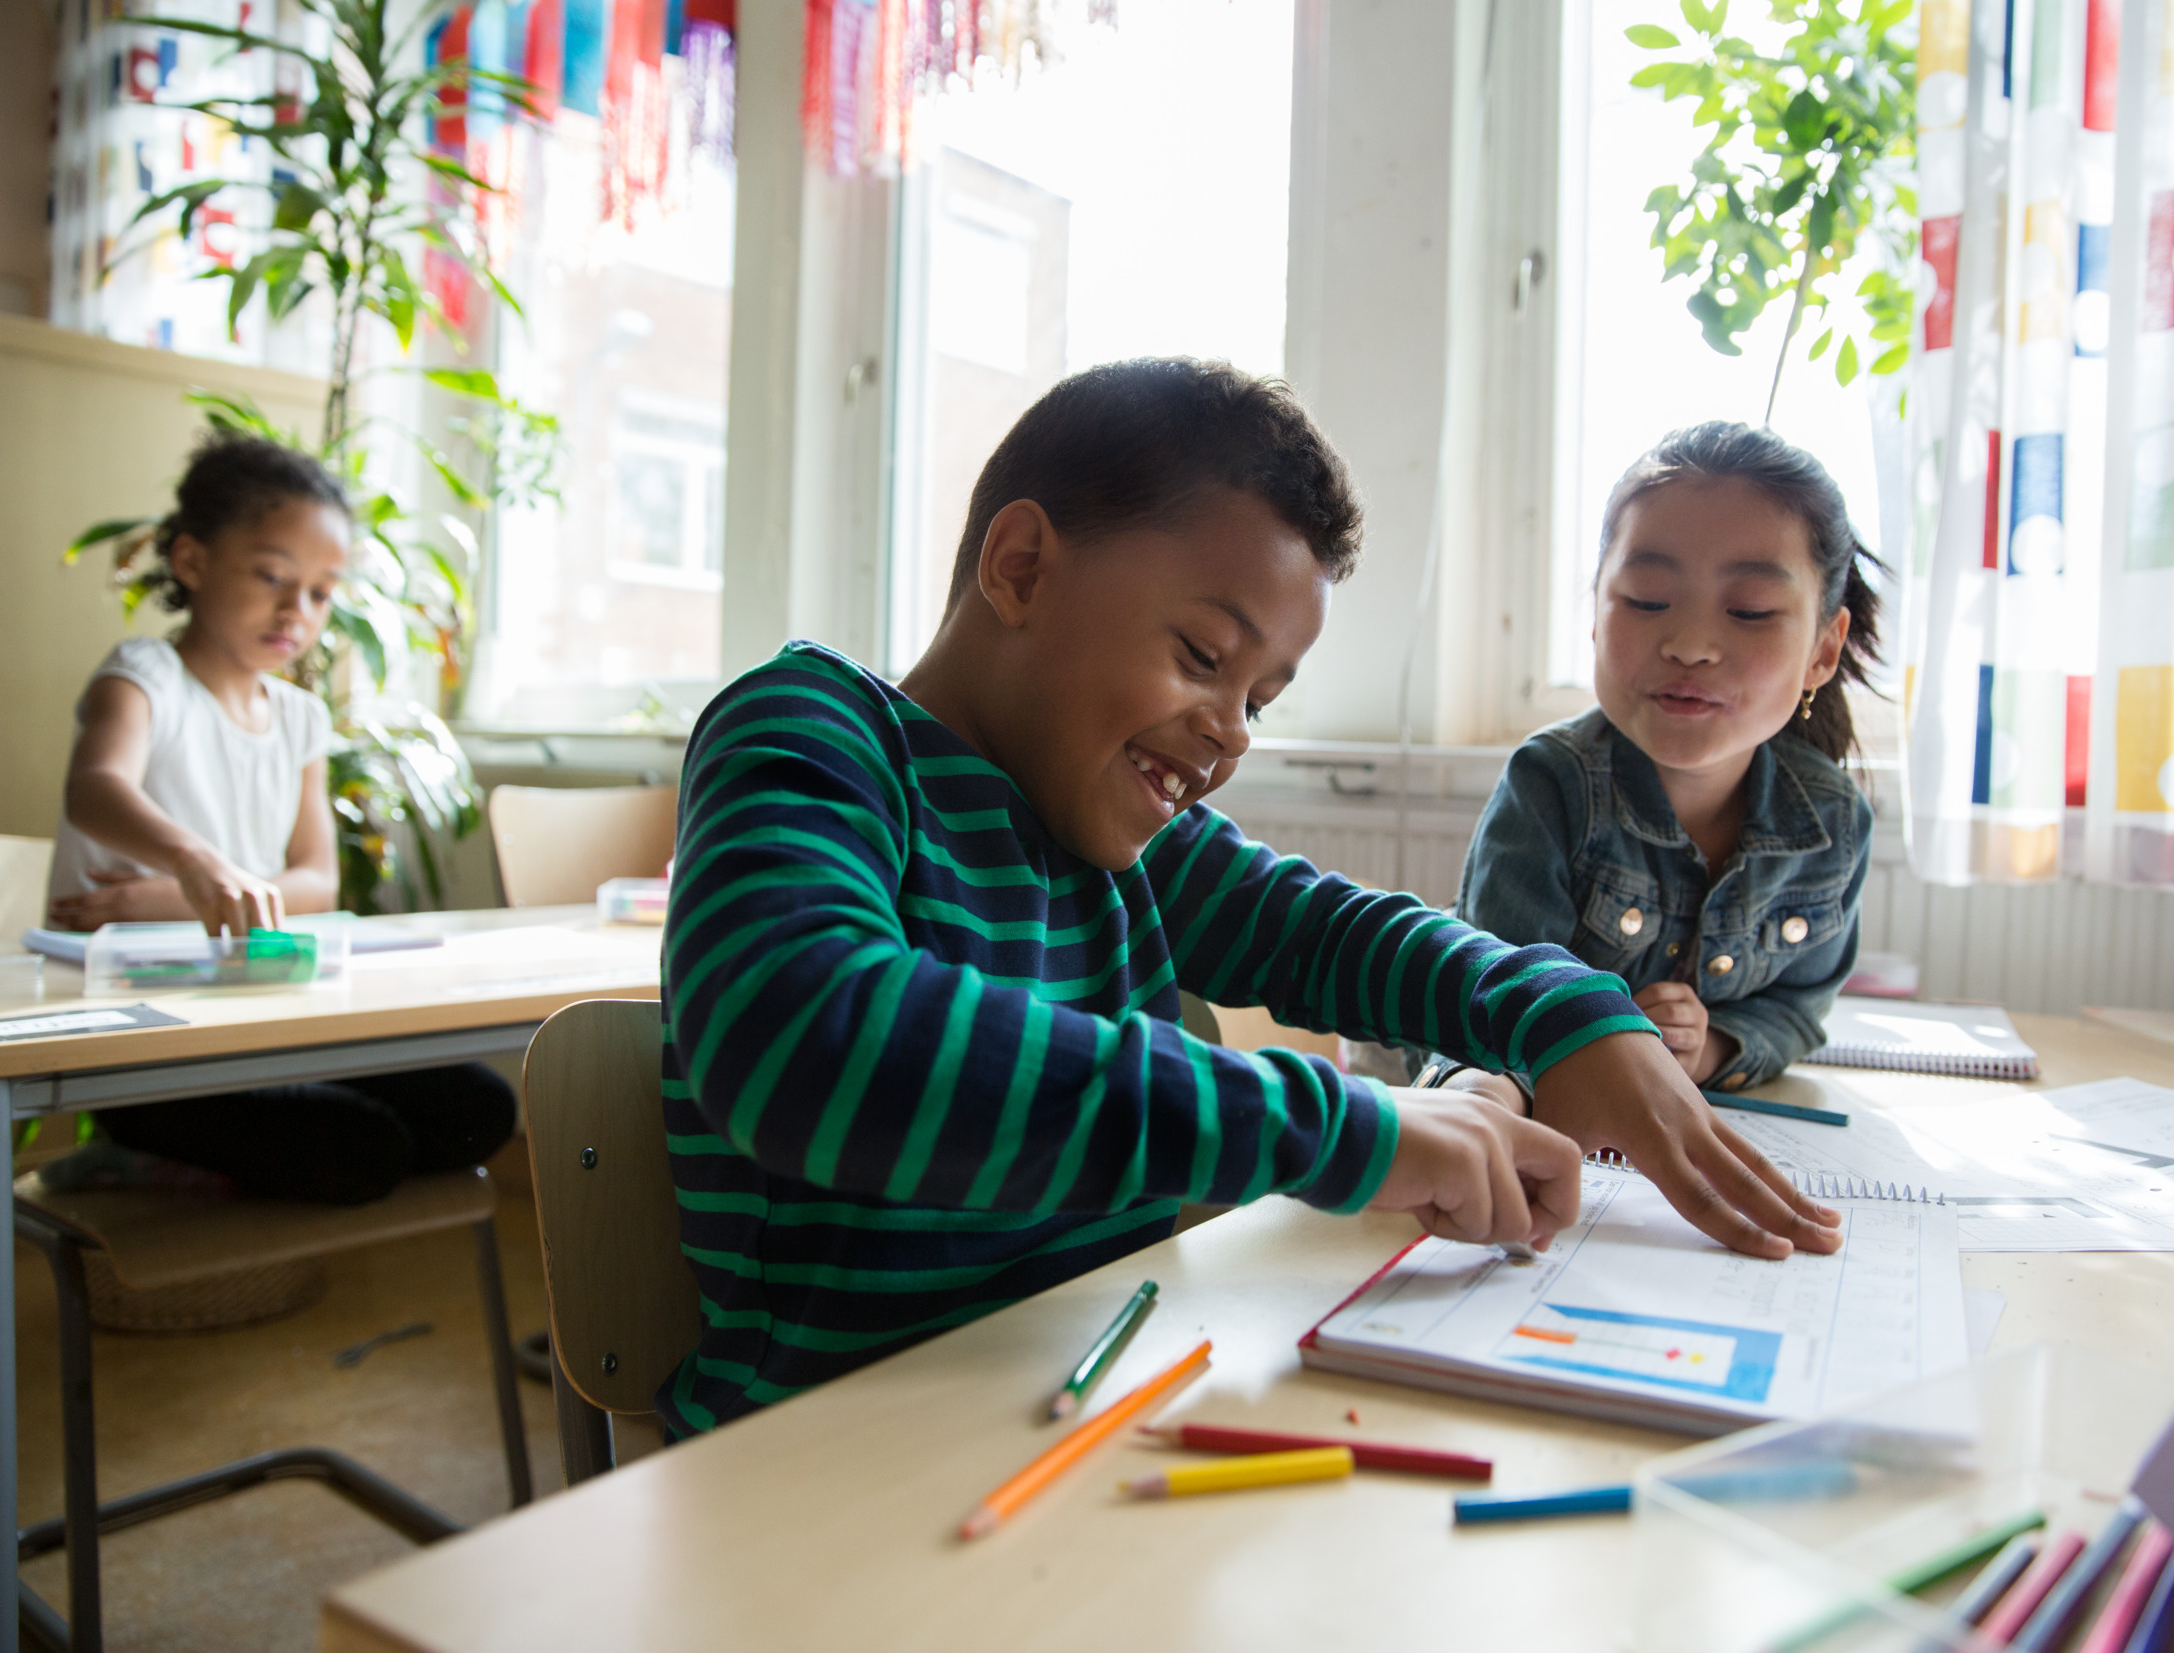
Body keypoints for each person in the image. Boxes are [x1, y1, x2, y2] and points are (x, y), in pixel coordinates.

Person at [658, 363, 1841, 1435]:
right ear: (1020, 567)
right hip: (823, 1466)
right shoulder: (817, 730)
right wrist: (1343, 1128)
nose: (1228, 733)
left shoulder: (1119, 841)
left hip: (1080, 1415)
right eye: (1202, 656)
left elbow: (1331, 929)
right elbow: (803, 1035)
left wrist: (1559, 1009)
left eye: (1261, 698)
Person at [42, 432, 515, 1205]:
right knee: (363, 1148)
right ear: (191, 562)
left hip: (259, 1022)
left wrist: (165, 896)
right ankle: (128, 1155)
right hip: (145, 1047)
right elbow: (93, 788)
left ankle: (207, 1162)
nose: (298, 610)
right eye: (272, 577)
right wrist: (197, 865)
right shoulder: (142, 678)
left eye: (322, 592)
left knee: (482, 1107)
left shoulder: (297, 717)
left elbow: (317, 883)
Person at [1452, 421, 1883, 1098]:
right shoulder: (1551, 785)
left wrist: (1708, 1048)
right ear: (1595, 614)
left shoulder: (1834, 821)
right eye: (1648, 600)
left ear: (1824, 651)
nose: (1689, 644)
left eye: (1749, 610)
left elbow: (1797, 1010)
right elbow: (1485, 1011)